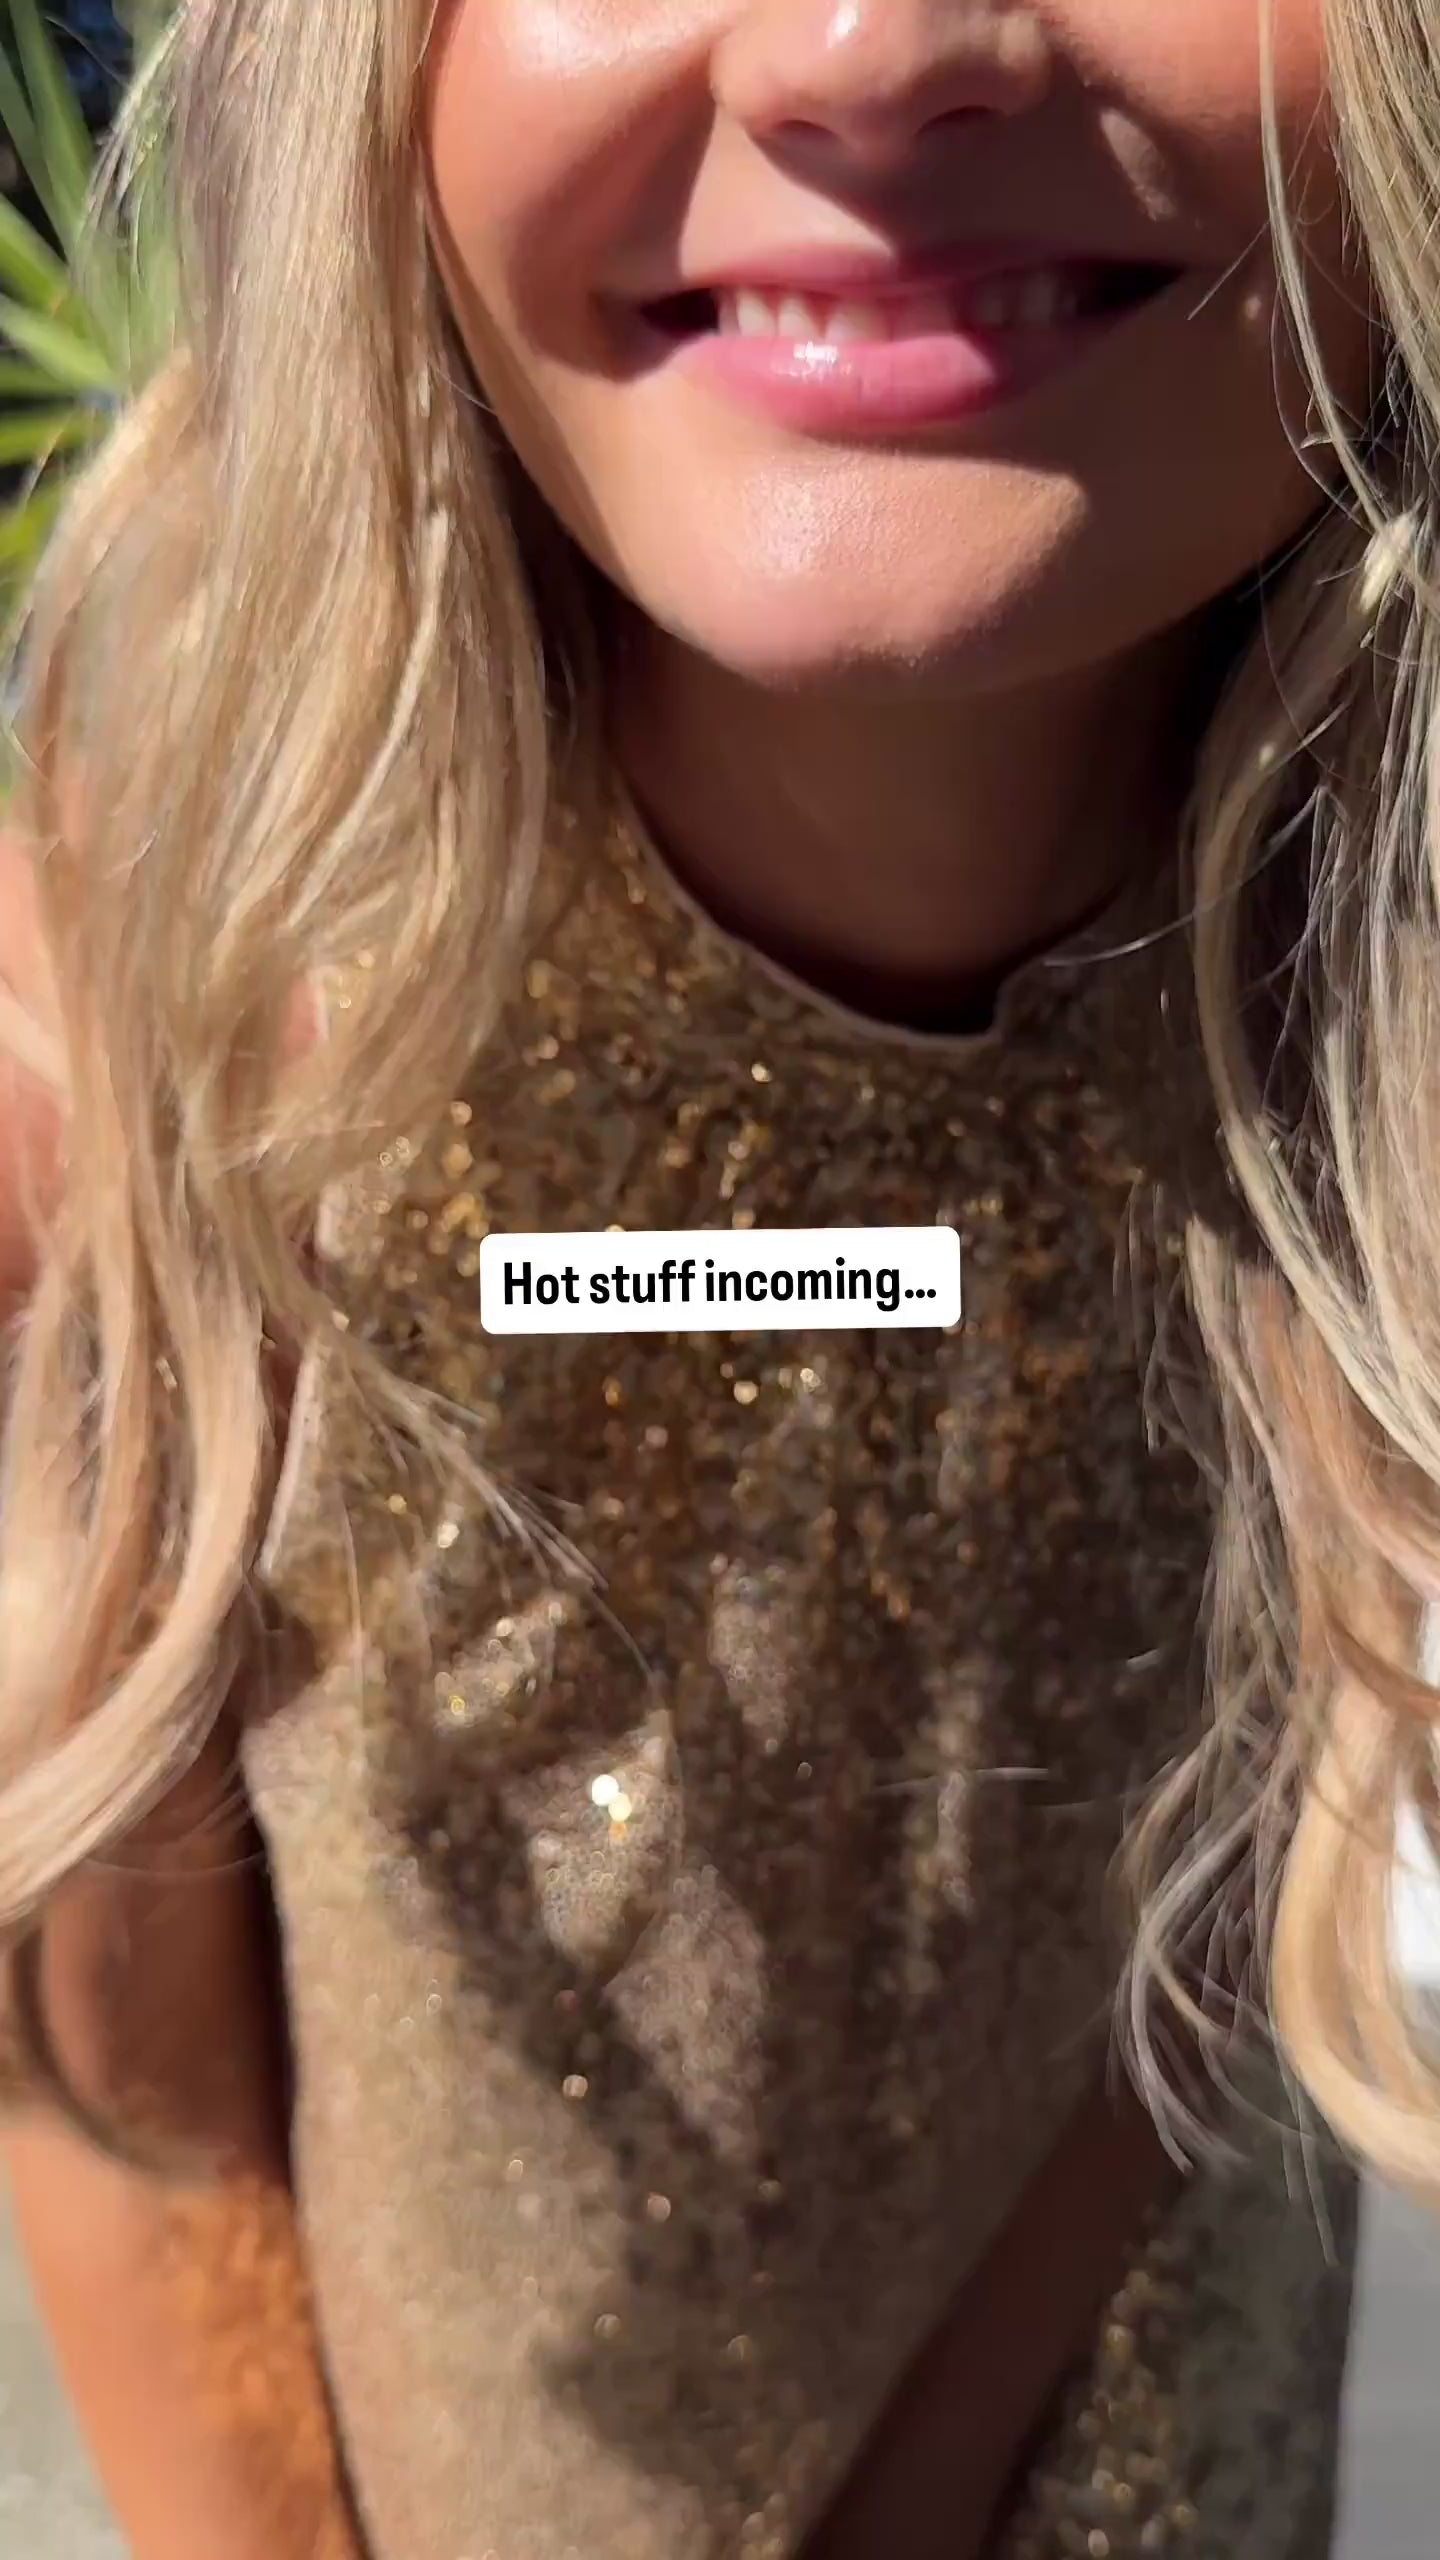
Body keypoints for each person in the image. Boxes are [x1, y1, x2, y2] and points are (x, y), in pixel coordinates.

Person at [0, 0, 1433, 2553]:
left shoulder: (1373, 996)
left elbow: (1220, 1824)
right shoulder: (202, 946)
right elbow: (118, 2058)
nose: (868, 49)